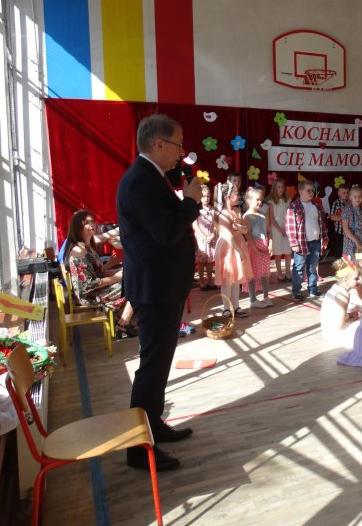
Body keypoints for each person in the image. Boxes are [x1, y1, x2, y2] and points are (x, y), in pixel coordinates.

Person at [117, 114, 203, 472]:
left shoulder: (152, 177)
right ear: (159, 144)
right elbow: (167, 232)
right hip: (155, 289)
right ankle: (138, 449)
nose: (181, 152)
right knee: (152, 366)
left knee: (160, 362)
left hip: (162, 285)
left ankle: (153, 424)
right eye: (178, 145)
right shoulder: (140, 181)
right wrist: (191, 202)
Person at [64, 209, 136, 338]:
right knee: (137, 284)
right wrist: (116, 277)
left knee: (136, 277)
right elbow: (88, 285)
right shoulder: (78, 252)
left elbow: (99, 272)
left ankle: (123, 318)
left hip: (97, 289)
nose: (91, 225)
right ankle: (124, 321)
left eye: (92, 221)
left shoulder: (87, 246)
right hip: (90, 296)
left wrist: (120, 271)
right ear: (78, 227)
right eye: (86, 223)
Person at [286, 179, 329, 301]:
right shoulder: (293, 206)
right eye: (308, 191)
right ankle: (297, 291)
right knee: (299, 268)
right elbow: (290, 226)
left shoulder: (316, 205)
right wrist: (294, 243)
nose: (311, 193)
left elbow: (322, 224)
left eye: (312, 191)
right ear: (300, 191)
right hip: (301, 243)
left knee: (312, 267)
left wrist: (324, 238)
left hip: (315, 241)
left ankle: (313, 289)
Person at [214, 182, 251, 317]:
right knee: (228, 279)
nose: (239, 195)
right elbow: (228, 236)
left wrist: (239, 227)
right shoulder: (223, 213)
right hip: (228, 248)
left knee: (236, 278)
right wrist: (240, 252)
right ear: (227, 196)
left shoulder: (237, 211)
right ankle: (226, 308)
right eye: (236, 193)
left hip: (238, 244)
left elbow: (245, 230)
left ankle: (236, 306)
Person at [320, 258, 362, 347]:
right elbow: (340, 324)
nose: (359, 280)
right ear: (345, 280)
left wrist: (350, 315)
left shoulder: (335, 288)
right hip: (336, 334)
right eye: (356, 278)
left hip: (328, 331)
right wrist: (352, 319)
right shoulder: (343, 295)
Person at [244, 187, 273, 309]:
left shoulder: (263, 216)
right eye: (257, 200)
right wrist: (257, 250)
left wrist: (270, 245)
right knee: (253, 273)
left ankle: (266, 296)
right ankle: (253, 299)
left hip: (264, 248)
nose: (260, 202)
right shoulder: (247, 217)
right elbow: (248, 236)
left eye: (261, 200)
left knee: (264, 272)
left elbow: (269, 232)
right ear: (249, 200)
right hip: (253, 249)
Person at [192, 184, 217, 291]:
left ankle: (210, 281)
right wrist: (204, 236)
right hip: (201, 238)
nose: (206, 198)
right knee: (201, 262)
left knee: (210, 261)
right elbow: (195, 225)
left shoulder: (213, 210)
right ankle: (202, 282)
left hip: (211, 237)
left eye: (208, 196)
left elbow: (216, 224)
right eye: (203, 196)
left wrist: (212, 235)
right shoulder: (196, 209)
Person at [267, 178, 292, 282]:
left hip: (286, 227)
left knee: (288, 251)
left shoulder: (288, 200)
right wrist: (280, 229)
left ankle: (288, 272)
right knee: (278, 252)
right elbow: (272, 218)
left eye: (282, 187)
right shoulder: (271, 201)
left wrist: (287, 228)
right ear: (274, 188)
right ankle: (279, 273)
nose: (281, 189)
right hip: (276, 228)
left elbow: (290, 215)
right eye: (279, 187)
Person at [341, 185, 362, 257]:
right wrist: (356, 241)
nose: (357, 198)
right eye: (355, 197)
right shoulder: (346, 210)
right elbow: (345, 228)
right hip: (351, 243)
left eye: (359, 196)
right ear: (350, 197)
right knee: (352, 262)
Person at [329, 183, 349, 259]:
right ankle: (338, 265)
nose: (346, 194)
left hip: (350, 231)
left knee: (347, 251)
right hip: (340, 231)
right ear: (339, 193)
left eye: (347, 192)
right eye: (344, 192)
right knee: (339, 251)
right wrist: (344, 218)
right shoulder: (336, 203)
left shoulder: (350, 203)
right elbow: (332, 217)